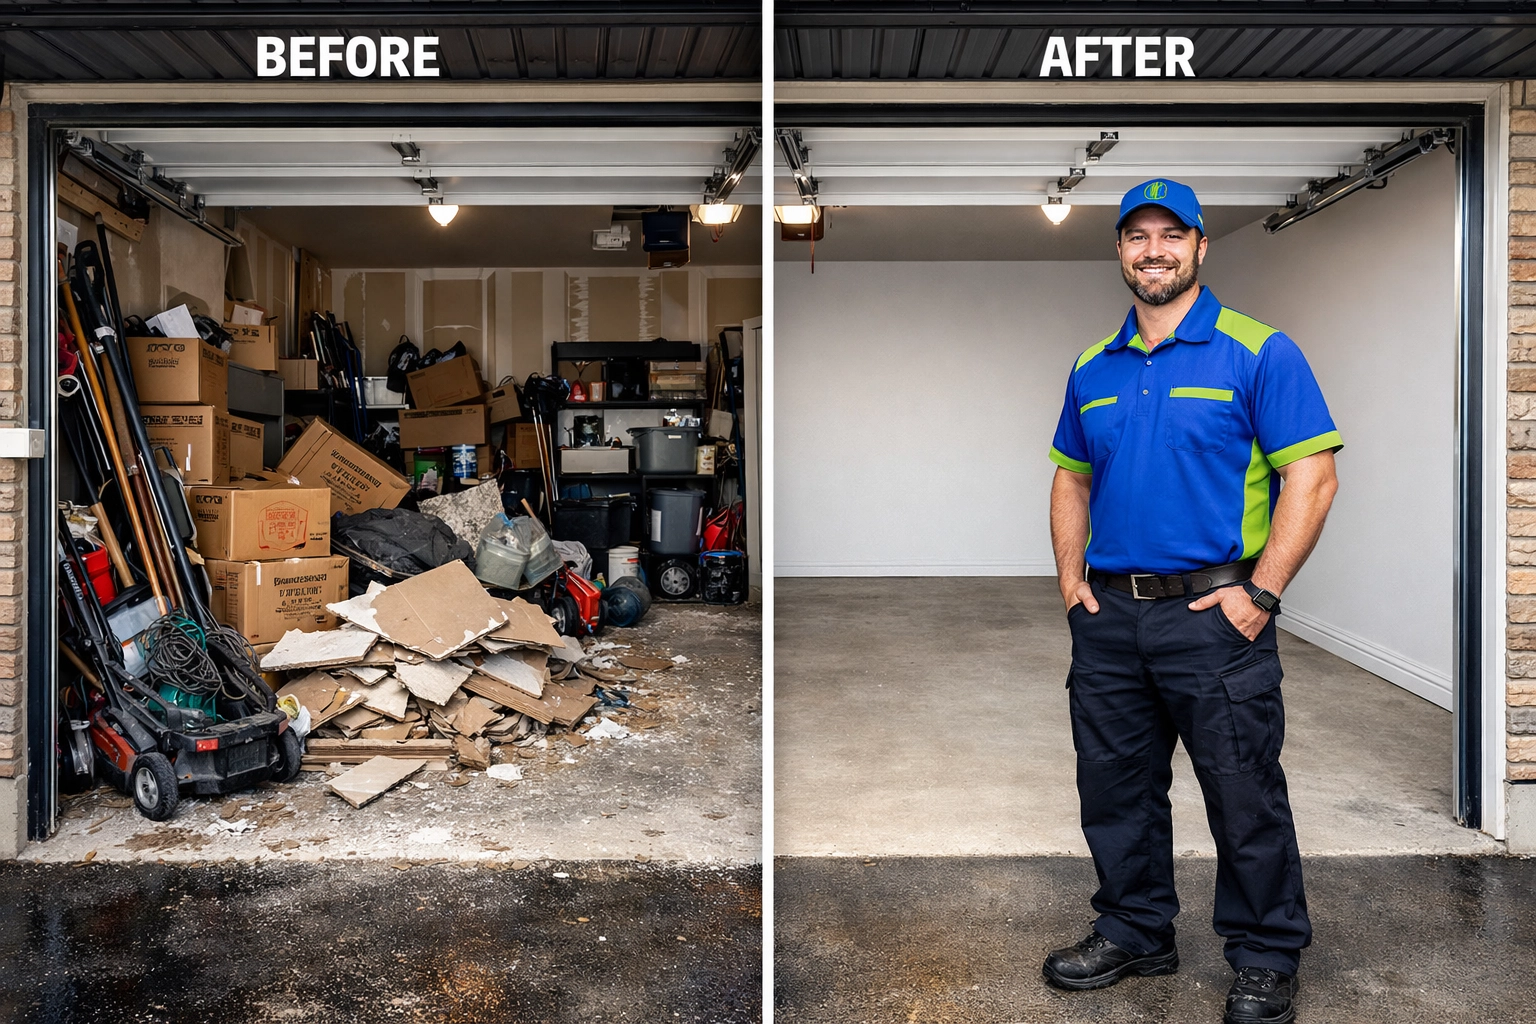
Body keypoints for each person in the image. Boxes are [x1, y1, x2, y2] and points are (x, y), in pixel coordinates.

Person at [1042, 178, 1341, 1024]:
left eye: (1172, 235)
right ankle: (1136, 929)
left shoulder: (1258, 351)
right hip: (1109, 619)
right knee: (1115, 789)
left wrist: (1263, 593)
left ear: (1202, 246)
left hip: (1216, 619)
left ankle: (1266, 953)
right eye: (1137, 236)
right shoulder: (1091, 366)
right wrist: (1071, 583)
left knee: (1242, 791)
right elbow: (1070, 476)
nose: (1154, 250)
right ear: (1120, 252)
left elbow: (1312, 478)